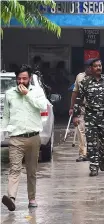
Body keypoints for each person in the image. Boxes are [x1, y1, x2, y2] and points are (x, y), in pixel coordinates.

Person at [1, 64, 48, 211]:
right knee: (14, 169)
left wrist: (27, 94)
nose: (21, 81)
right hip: (16, 138)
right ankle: (11, 198)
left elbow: (43, 107)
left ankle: (32, 198)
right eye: (19, 79)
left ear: (29, 79)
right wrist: (3, 131)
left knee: (31, 170)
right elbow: (6, 115)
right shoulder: (9, 94)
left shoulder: (37, 92)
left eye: (24, 78)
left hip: (33, 137)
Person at [72, 58, 104, 176]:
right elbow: (78, 99)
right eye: (96, 66)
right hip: (90, 117)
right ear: (91, 68)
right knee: (92, 143)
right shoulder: (85, 82)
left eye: (100, 65)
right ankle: (93, 167)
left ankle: (101, 159)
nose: (99, 68)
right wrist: (75, 115)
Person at [69, 60, 92, 162]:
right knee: (80, 130)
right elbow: (75, 92)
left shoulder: (100, 78)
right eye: (87, 67)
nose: (88, 69)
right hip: (82, 107)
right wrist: (71, 107)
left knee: (92, 131)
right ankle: (82, 153)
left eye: (90, 67)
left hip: (94, 109)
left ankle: (92, 153)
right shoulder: (79, 77)